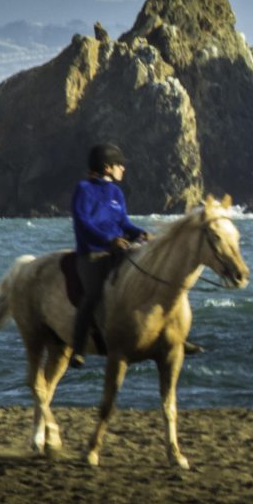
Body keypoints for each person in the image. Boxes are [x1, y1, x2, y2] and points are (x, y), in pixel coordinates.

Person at [69, 143, 148, 369]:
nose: (123, 168)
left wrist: (139, 233)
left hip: (118, 250)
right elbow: (83, 222)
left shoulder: (116, 193)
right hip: (92, 255)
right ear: (107, 167)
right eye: (119, 165)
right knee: (93, 295)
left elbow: (123, 222)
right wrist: (108, 240)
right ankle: (78, 347)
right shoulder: (83, 189)